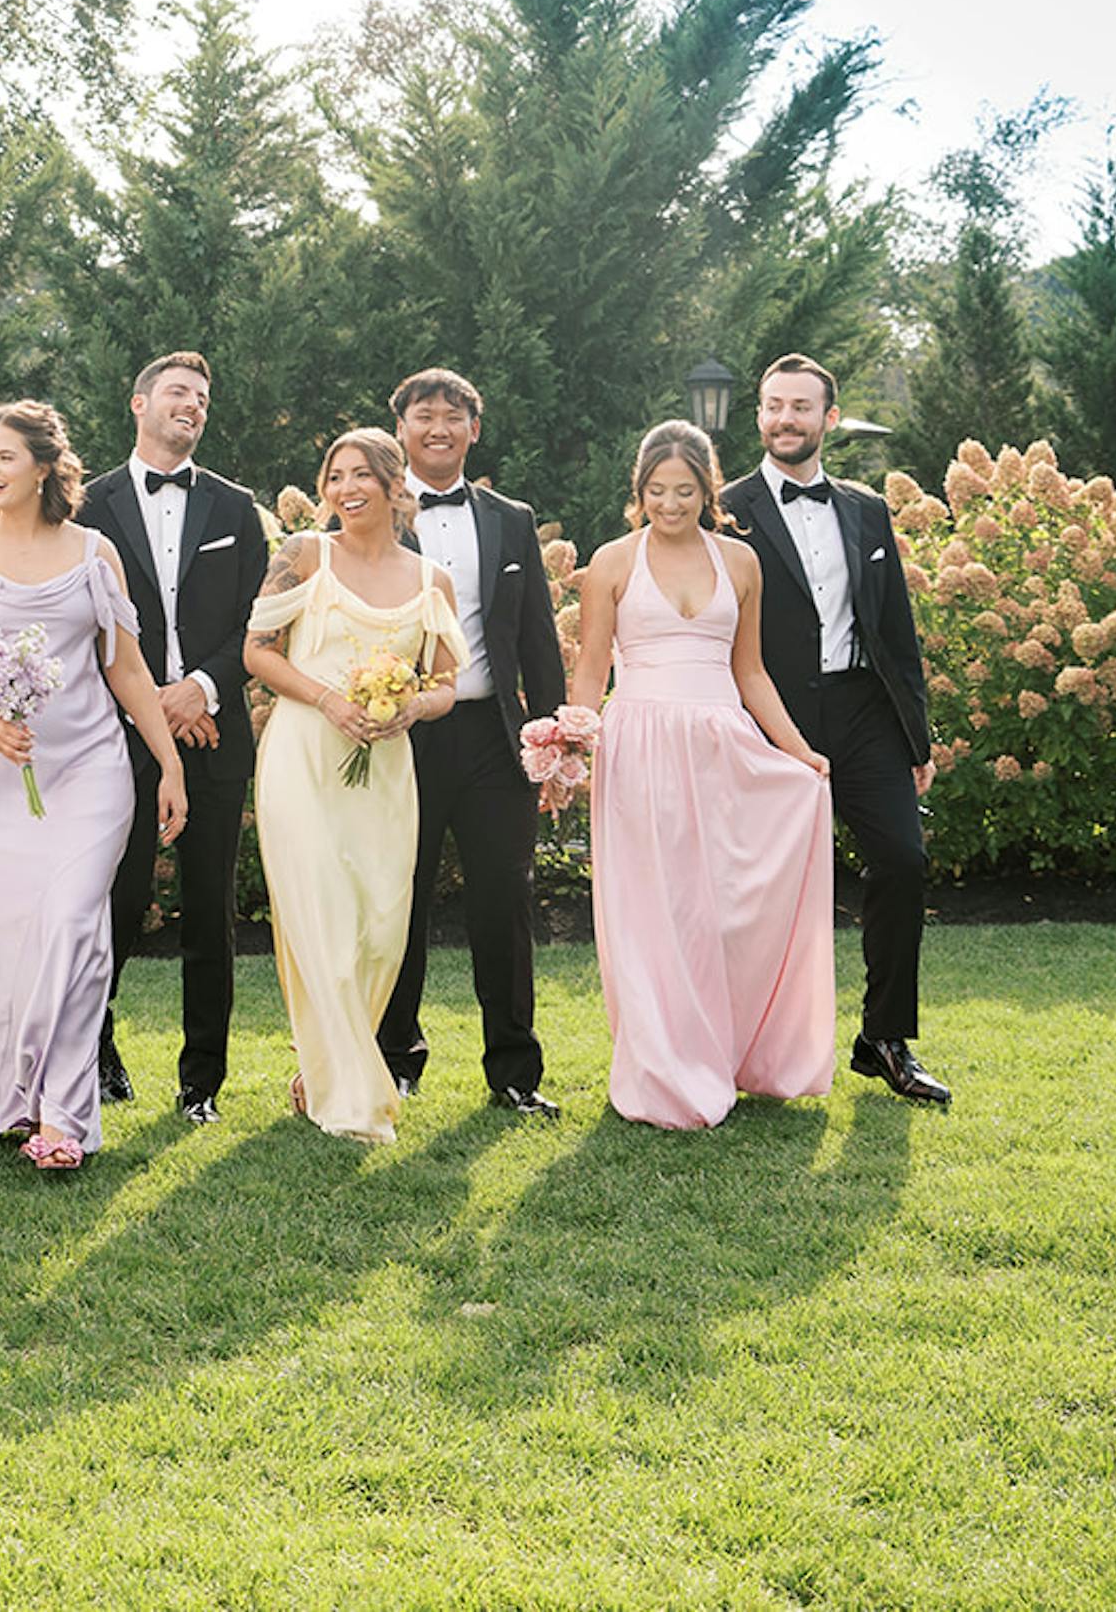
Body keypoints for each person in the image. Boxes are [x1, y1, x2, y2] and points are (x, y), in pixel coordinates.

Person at [0, 401, 186, 1173]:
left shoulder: (95, 552)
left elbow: (127, 668)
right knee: (0, 940)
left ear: (43, 466)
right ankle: (12, 1100)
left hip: (88, 769)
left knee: (74, 923)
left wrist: (168, 762)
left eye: (4, 456)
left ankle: (65, 1116)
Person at [571, 422, 838, 1128]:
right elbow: (591, 669)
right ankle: (663, 1070)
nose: (670, 503)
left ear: (707, 490)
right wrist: (571, 741)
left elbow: (750, 671)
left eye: (684, 490)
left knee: (724, 909)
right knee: (655, 912)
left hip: (724, 745)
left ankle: (736, 1051)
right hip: (640, 747)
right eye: (656, 490)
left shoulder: (742, 563)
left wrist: (799, 751)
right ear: (639, 492)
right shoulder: (611, 562)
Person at [720, 354, 953, 1106]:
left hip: (863, 713)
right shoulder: (723, 508)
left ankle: (885, 1038)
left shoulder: (864, 507)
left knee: (903, 860)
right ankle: (742, 1045)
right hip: (768, 716)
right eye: (772, 405)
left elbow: (895, 630)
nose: (784, 418)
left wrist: (916, 739)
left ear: (829, 416)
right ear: (759, 415)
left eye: (800, 406)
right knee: (761, 890)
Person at [242, 429, 463, 1144]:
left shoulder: (432, 581)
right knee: (324, 920)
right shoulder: (304, 555)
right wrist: (327, 699)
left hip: (385, 771)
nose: (346, 488)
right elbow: (256, 650)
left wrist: (411, 707)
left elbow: (446, 683)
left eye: (363, 474)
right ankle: (353, 1099)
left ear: (397, 487)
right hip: (303, 757)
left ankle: (325, 1067)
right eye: (335, 475)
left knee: (378, 929)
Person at [375, 369, 570, 1117]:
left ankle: (515, 1072)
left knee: (505, 900)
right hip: (403, 737)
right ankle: (395, 1059)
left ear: (473, 430)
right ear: (402, 430)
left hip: (495, 738)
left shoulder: (510, 517)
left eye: (452, 417)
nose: (438, 428)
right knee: (401, 899)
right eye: (423, 417)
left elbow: (536, 634)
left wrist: (555, 734)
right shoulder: (372, 516)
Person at [77, 352, 264, 1123]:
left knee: (209, 910)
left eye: (203, 398)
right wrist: (151, 701)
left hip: (212, 728)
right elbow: (73, 619)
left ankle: (201, 1083)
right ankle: (97, 1047)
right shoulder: (86, 506)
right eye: (179, 393)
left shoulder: (235, 506)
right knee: (113, 904)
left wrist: (202, 688)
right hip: (115, 734)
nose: (193, 406)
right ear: (140, 402)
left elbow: (259, 617)